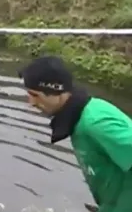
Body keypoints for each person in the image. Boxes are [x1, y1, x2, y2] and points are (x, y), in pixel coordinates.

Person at [19, 56, 132, 212]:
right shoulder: (78, 118)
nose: (30, 103)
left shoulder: (96, 122)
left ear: (56, 92)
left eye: (35, 95)